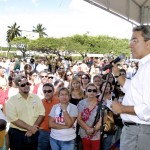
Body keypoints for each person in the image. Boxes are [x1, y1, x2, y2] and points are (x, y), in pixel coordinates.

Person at [111, 25, 150, 150]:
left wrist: (122, 108)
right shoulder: (144, 65)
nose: (130, 45)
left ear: (148, 43)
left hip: (139, 132)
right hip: (134, 130)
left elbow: (148, 109)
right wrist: (117, 74)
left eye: (135, 40)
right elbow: (132, 91)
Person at [5, 74, 45, 150]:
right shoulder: (11, 101)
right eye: (23, 85)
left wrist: (33, 128)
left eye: (27, 84)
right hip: (17, 135)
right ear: (17, 86)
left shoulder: (36, 97)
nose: (26, 86)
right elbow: (13, 119)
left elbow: (42, 113)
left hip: (34, 133)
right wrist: (30, 128)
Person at [77, 83, 101, 150]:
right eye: (89, 90)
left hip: (96, 132)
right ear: (86, 92)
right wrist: (87, 129)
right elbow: (79, 119)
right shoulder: (81, 103)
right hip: (84, 131)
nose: (92, 92)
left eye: (94, 90)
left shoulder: (101, 103)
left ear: (97, 92)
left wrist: (94, 129)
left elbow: (102, 119)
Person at [38, 83, 58, 150]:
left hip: (56, 131)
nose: (47, 93)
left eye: (49, 91)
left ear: (53, 91)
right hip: (43, 131)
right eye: (45, 91)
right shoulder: (40, 102)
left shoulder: (59, 102)